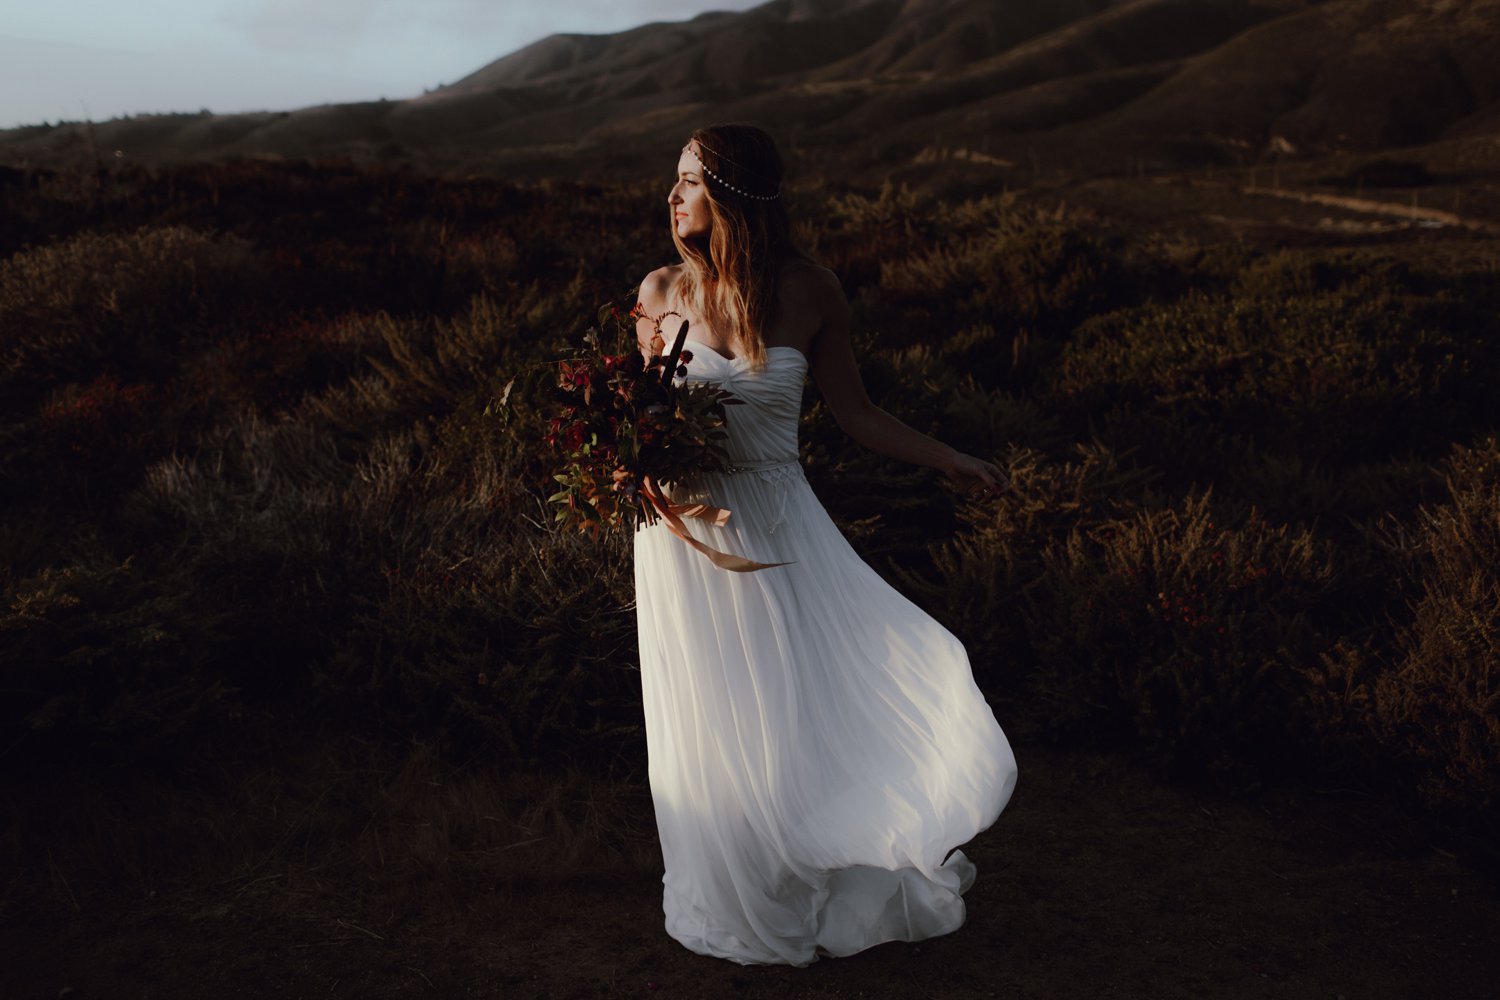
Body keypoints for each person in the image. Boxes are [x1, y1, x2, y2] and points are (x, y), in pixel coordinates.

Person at [631, 122, 1018, 967]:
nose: (672, 194)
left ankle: (810, 862)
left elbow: (859, 413)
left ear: (734, 194)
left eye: (690, 180)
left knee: (794, 696)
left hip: (778, 517)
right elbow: (644, 426)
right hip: (685, 535)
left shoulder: (812, 292)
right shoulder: (657, 292)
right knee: (710, 707)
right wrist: (623, 463)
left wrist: (950, 459)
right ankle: (737, 886)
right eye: (673, 179)